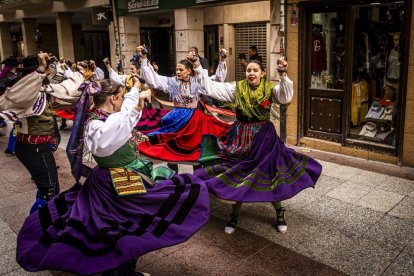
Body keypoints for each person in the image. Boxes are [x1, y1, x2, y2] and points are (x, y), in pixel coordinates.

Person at [16, 78, 210, 275]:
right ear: (113, 98)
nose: (124, 101)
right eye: (121, 97)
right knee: (124, 227)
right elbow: (116, 128)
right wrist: (134, 99)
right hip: (115, 180)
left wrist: (135, 97)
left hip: (118, 177)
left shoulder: (105, 118)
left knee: (125, 225)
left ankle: (122, 267)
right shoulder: (98, 125)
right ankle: (121, 270)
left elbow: (125, 117)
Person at [189, 55, 322, 234]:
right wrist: (197, 65)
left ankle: (279, 211)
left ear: (263, 73)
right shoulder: (237, 87)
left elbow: (285, 96)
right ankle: (235, 214)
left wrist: (283, 74)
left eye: (255, 70)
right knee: (240, 174)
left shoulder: (270, 89)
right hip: (241, 137)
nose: (251, 73)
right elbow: (210, 87)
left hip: (265, 139)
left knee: (269, 174)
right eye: (248, 70)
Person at [0, 53, 84, 213]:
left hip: (38, 147)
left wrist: (80, 74)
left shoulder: (41, 90)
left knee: (48, 188)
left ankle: (42, 224)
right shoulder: (24, 94)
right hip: (33, 148)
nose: (49, 72)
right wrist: (40, 72)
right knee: (50, 192)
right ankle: (38, 228)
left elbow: (65, 87)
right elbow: (16, 95)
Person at [136, 45, 230, 172]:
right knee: (172, 148)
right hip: (176, 118)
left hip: (194, 120)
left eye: (181, 70)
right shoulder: (172, 82)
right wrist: (144, 58)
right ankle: (175, 175)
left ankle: (197, 176)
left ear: (189, 71)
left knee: (195, 148)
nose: (178, 72)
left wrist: (222, 60)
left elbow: (217, 79)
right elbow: (154, 80)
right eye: (177, 70)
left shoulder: (198, 82)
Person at [105, 57, 169, 134]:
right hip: (128, 104)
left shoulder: (143, 80)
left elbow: (151, 85)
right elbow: (115, 78)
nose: (131, 71)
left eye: (133, 69)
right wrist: (108, 65)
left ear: (138, 70)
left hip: (140, 104)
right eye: (130, 69)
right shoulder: (127, 78)